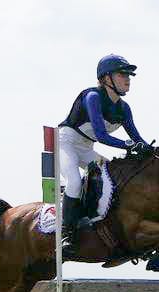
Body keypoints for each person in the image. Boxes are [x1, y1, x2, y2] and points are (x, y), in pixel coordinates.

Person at [58, 54, 153, 236]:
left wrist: (153, 152)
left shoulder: (124, 108)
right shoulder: (93, 97)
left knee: (113, 179)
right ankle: (66, 233)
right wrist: (130, 145)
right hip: (65, 142)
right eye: (122, 74)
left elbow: (137, 138)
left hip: (86, 148)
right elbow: (102, 136)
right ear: (106, 78)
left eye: (128, 75)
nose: (127, 79)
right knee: (75, 182)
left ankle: (93, 219)